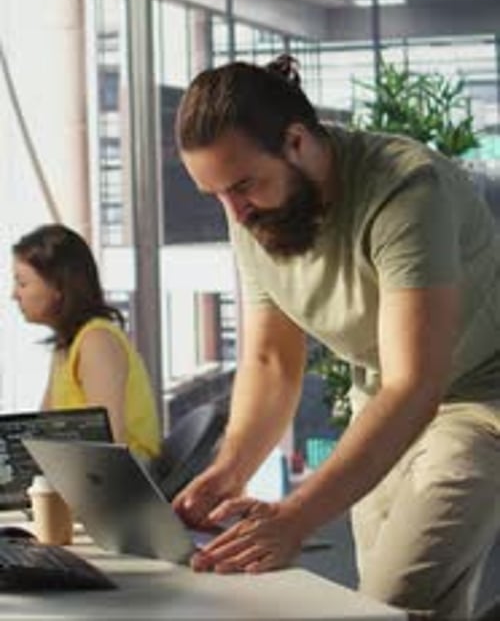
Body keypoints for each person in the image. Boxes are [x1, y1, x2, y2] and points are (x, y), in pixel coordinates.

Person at [173, 55, 500, 620]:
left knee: (393, 601)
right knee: (391, 608)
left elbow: (416, 383)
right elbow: (273, 360)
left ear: (296, 141)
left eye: (243, 186)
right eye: (217, 196)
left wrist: (296, 515)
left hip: (477, 398)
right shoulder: (251, 206)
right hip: (380, 397)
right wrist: (229, 472)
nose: (234, 212)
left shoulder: (404, 190)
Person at [12, 224, 161, 462]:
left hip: (120, 482)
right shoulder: (66, 346)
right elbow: (42, 433)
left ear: (58, 286)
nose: (14, 294)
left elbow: (109, 444)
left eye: (22, 283)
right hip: (84, 476)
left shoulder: (97, 341)